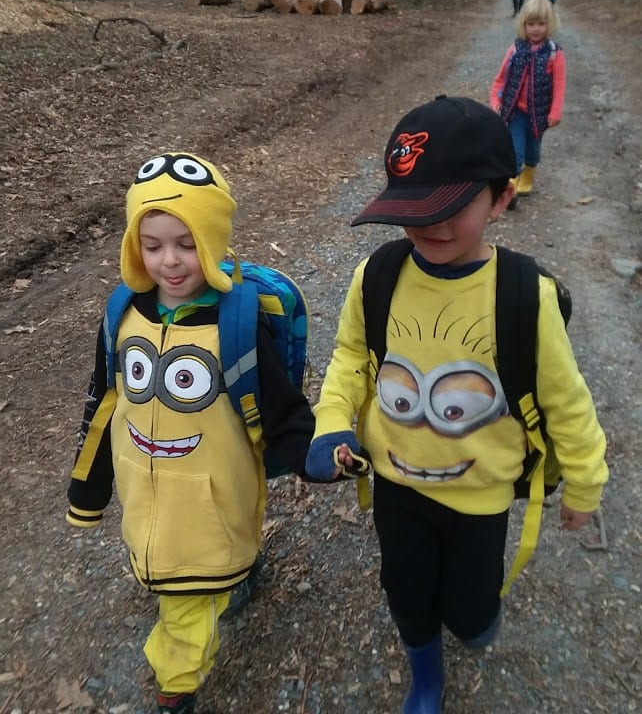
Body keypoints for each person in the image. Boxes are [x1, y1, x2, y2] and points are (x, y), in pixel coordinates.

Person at [305, 96, 608, 713]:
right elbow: (351, 358)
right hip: (396, 485)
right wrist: (331, 423)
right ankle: (425, 676)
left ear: (501, 198)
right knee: (406, 593)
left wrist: (584, 482)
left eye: (449, 207)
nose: (430, 225)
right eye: (412, 210)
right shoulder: (377, 277)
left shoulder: (525, 297)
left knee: (471, 608)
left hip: (481, 497)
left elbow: (567, 402)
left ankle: (473, 620)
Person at [66, 152, 315, 714]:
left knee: (185, 611)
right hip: (145, 496)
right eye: (152, 245)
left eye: (187, 243)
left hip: (214, 496)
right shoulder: (124, 313)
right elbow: (104, 403)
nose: (170, 261)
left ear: (213, 239)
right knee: (190, 574)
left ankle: (174, 687)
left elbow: (283, 411)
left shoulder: (236, 322)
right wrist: (88, 493)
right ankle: (241, 571)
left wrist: (317, 455)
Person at [490, 0, 566, 205]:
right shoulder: (516, 49)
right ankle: (511, 187)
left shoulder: (554, 53)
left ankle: (528, 175)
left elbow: (559, 85)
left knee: (533, 151)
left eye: (541, 24)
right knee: (516, 151)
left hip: (539, 114)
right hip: (515, 112)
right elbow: (501, 78)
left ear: (549, 24)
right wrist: (496, 98)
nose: (536, 29)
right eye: (531, 24)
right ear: (523, 24)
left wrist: (555, 112)